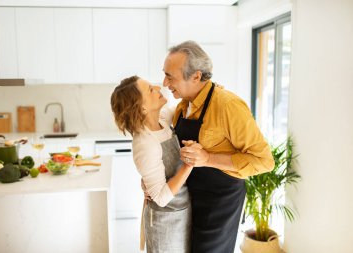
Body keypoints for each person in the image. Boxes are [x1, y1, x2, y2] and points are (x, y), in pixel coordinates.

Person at [163, 40, 275, 253]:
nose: (165, 83)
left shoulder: (228, 106)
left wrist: (208, 159)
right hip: (190, 196)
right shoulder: (182, 106)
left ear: (196, 76)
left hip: (220, 201)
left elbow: (264, 161)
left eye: (170, 76)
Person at [110, 76, 192, 253]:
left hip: (181, 212)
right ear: (142, 107)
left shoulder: (162, 119)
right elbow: (161, 198)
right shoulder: (145, 143)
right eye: (150, 89)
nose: (157, 86)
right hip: (165, 222)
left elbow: (186, 104)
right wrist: (188, 165)